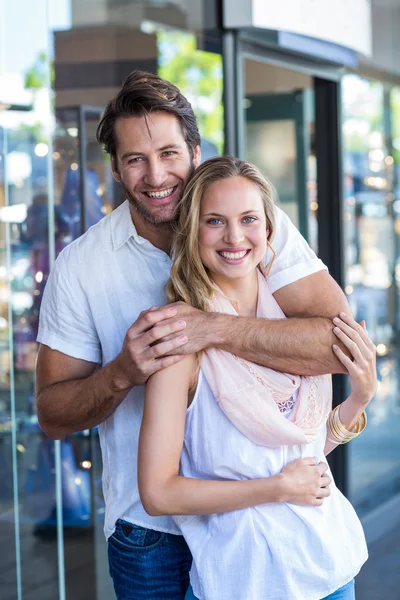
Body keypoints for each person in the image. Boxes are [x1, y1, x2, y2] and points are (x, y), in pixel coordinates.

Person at [36, 70, 351, 600]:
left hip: (265, 519)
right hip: (154, 536)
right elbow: (51, 415)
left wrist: (213, 329)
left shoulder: (251, 228)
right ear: (115, 168)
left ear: (196, 151)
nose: (155, 175)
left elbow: (338, 344)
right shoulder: (81, 267)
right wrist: (121, 374)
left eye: (169, 153)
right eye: (135, 159)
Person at [138, 156, 377, 600]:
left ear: (269, 231)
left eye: (248, 219)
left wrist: (358, 401)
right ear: (193, 233)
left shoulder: (293, 323)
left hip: (331, 568)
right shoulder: (180, 344)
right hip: (245, 582)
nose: (234, 237)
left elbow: (296, 453)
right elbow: (158, 493)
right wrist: (278, 489)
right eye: (214, 221)